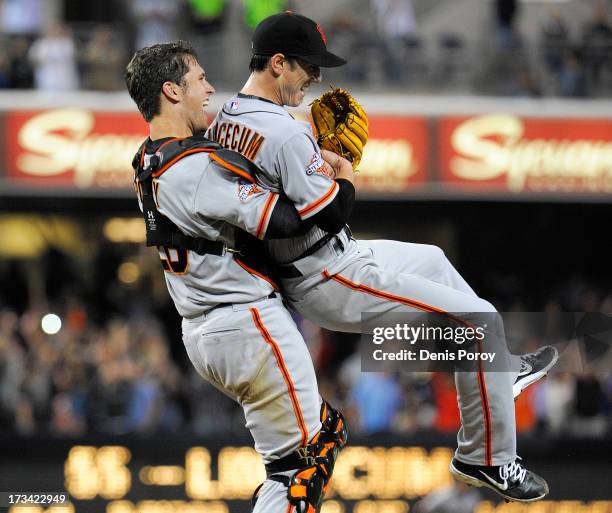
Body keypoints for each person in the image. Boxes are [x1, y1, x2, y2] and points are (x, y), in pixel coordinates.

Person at [207, 11, 558, 503]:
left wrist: (314, 161)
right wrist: (345, 169)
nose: (317, 78)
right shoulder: (286, 133)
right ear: (279, 63)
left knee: (435, 259)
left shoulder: (229, 116)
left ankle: (495, 369)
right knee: (479, 319)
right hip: (324, 273)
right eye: (309, 66)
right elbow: (329, 213)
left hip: (323, 256)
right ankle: (486, 458)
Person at [125, 41, 348, 513]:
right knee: (309, 460)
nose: (209, 89)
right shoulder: (195, 167)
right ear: (171, 91)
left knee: (290, 465)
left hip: (205, 331)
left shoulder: (147, 160)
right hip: (246, 324)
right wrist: (331, 180)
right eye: (199, 80)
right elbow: (285, 220)